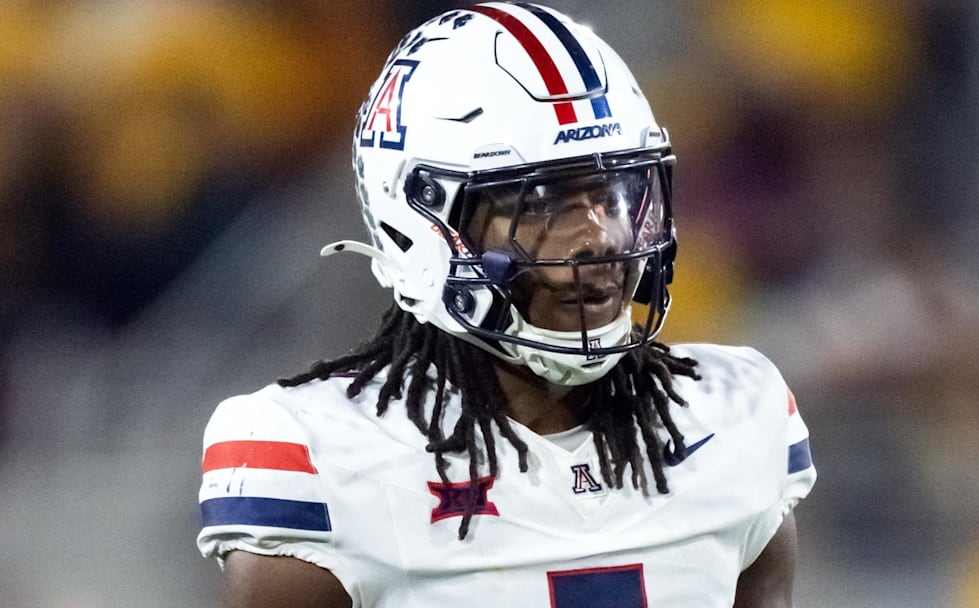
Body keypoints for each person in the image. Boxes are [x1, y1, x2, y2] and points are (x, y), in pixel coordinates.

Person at [196, 3, 817, 607]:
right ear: (420, 225)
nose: (600, 236)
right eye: (542, 204)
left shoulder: (734, 418)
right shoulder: (319, 456)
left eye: (615, 191)